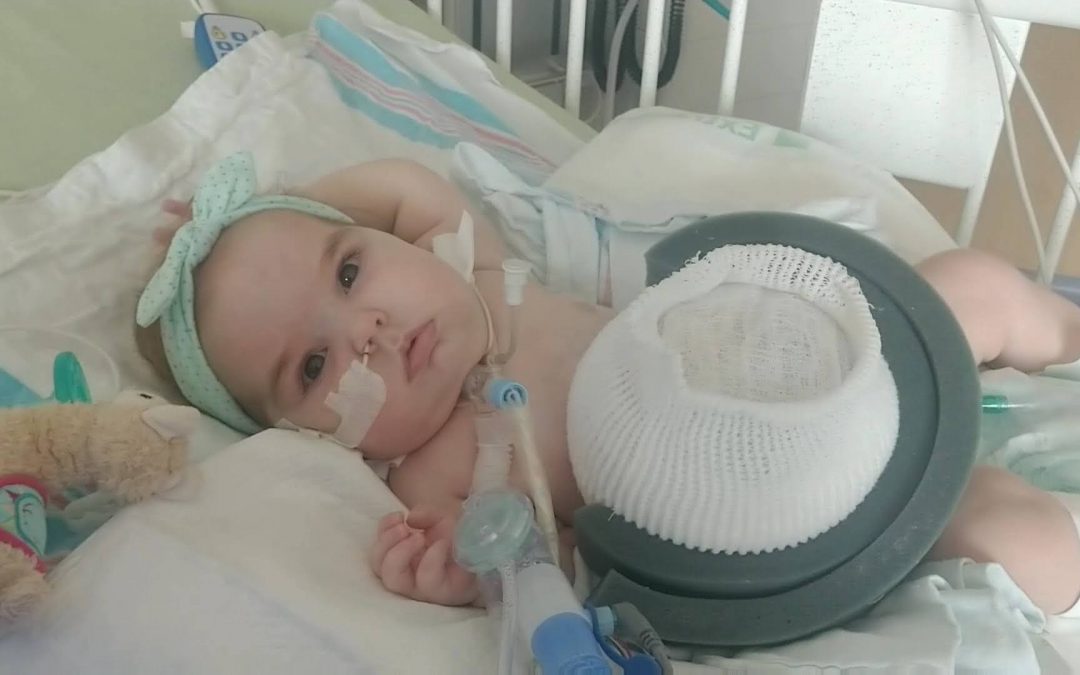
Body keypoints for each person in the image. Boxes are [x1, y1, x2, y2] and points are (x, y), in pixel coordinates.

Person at [136, 152, 1080, 615]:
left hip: (824, 361)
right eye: (312, 366)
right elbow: (537, 563)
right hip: (792, 518)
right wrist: (463, 567)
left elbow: (402, 180)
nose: (368, 330)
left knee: (978, 283)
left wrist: (257, 211)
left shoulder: (482, 275)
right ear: (304, 437)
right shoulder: (434, 471)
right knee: (1028, 540)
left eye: (348, 272)